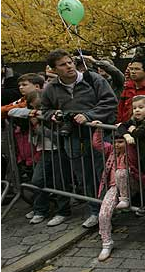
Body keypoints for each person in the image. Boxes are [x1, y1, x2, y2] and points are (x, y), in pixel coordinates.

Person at [41, 49, 118, 228]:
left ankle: (108, 211)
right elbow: (45, 110)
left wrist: (89, 115)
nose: (68, 66)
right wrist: (54, 115)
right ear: (54, 69)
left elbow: (110, 102)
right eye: (62, 64)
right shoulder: (51, 88)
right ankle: (94, 211)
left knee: (103, 174)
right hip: (72, 137)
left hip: (98, 134)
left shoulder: (93, 80)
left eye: (69, 62)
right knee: (84, 175)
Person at [10, 91, 71, 227]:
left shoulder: (56, 116)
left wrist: (38, 126)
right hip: (44, 152)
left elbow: (58, 137)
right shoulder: (34, 113)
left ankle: (63, 211)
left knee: (60, 182)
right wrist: (31, 113)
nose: (40, 109)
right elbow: (12, 112)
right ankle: (40, 209)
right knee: (37, 180)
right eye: (36, 106)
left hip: (59, 151)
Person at [91, 124, 144, 261]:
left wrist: (126, 133)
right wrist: (99, 128)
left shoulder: (132, 151)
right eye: (114, 142)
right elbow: (97, 144)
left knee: (120, 172)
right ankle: (107, 243)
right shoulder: (111, 152)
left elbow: (131, 148)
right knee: (103, 213)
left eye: (120, 142)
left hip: (131, 184)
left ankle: (125, 199)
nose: (117, 145)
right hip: (114, 188)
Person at [117, 58, 145, 123]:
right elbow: (120, 109)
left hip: (144, 129)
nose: (133, 72)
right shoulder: (127, 89)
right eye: (131, 69)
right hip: (124, 129)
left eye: (137, 69)